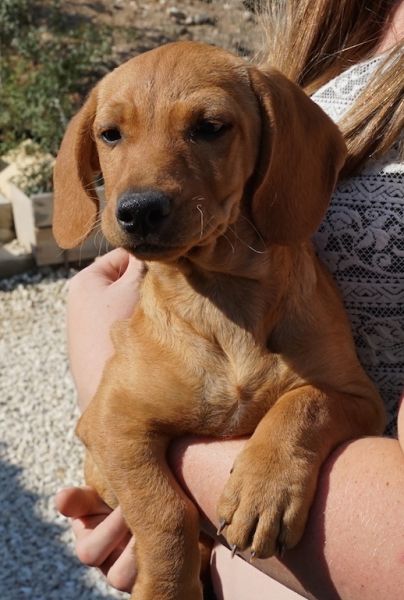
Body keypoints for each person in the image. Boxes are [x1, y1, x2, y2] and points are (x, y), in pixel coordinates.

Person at [55, 1, 404, 598]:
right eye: (112, 135)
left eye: (207, 128)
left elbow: (357, 403)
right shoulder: (335, 27)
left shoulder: (309, 315)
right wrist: (169, 539)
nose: (142, 191)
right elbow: (111, 432)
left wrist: (284, 438)